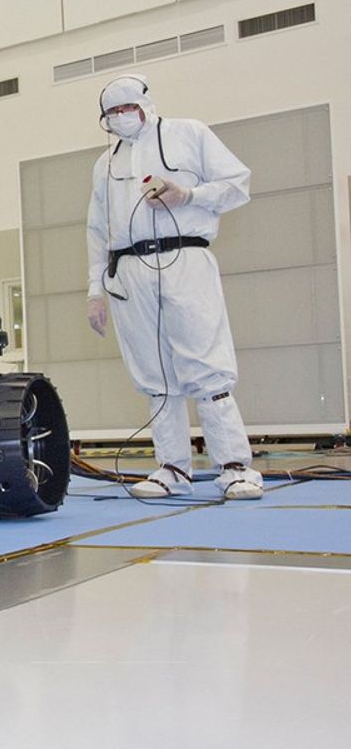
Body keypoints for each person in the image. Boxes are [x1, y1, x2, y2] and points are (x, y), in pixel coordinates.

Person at [84, 74, 262, 500]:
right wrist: (95, 289)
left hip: (186, 258)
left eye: (127, 108)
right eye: (112, 114)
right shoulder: (105, 163)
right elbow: (96, 228)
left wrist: (190, 195)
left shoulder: (190, 134)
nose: (121, 119)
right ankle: (172, 467)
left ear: (147, 104)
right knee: (154, 372)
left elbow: (238, 184)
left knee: (204, 360)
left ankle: (235, 466)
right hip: (128, 270)